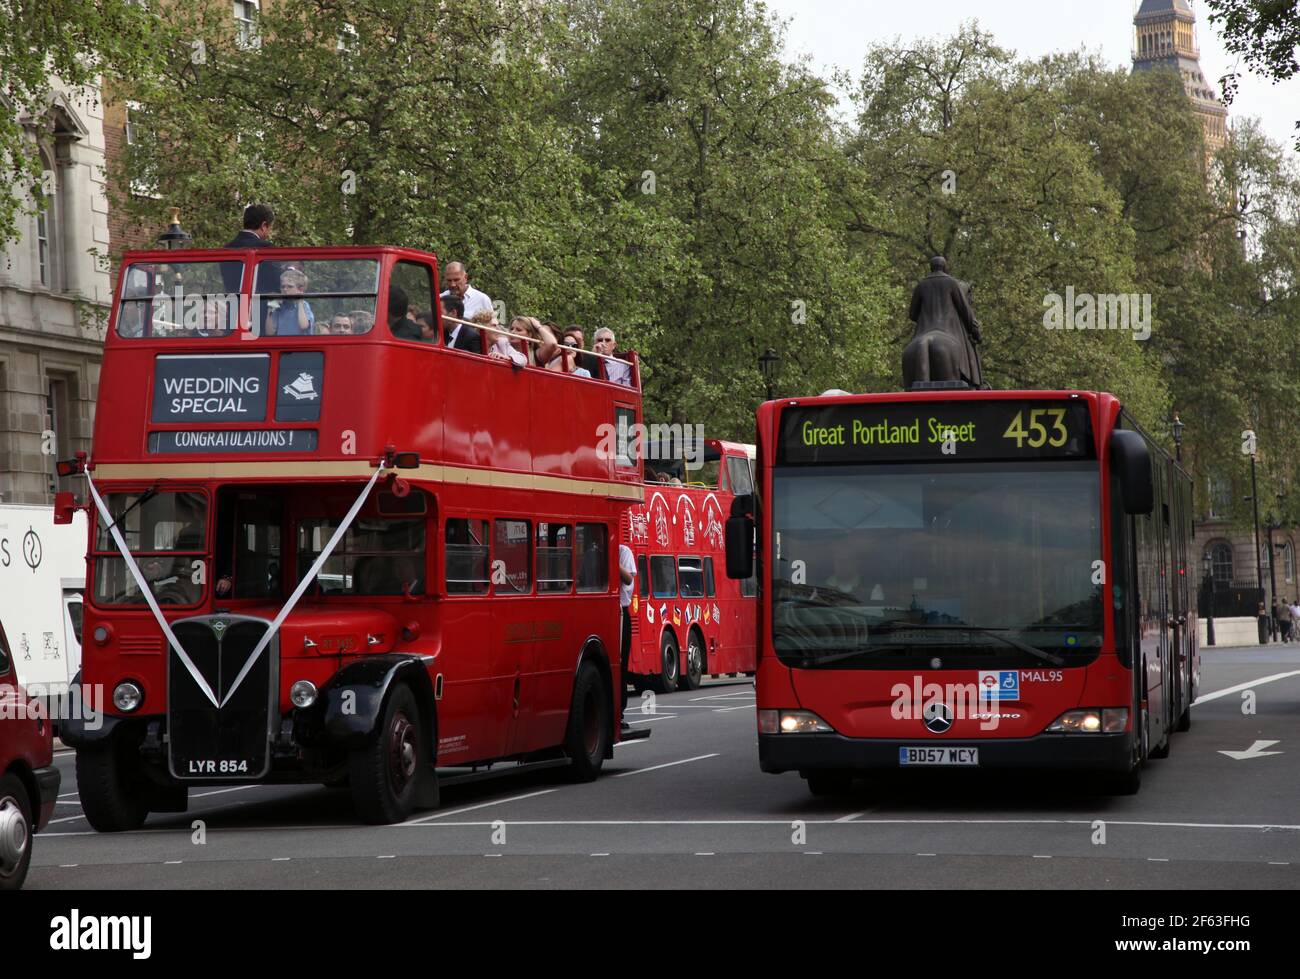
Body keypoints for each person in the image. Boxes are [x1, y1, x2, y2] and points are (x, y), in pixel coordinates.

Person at [223, 203, 276, 292]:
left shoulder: (226, 248)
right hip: (257, 304)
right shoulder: (266, 248)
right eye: (270, 228)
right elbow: (274, 282)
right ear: (264, 226)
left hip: (234, 304)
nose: (269, 232)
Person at [618, 542, 637, 734]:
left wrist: (611, 561)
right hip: (603, 611)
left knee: (620, 665)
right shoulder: (593, 552)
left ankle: (619, 713)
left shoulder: (623, 551)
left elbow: (629, 580)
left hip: (621, 612)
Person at [265, 266, 315, 336]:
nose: (285, 289)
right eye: (283, 287)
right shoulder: (278, 308)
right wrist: (270, 308)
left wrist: (300, 301)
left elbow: (303, 326)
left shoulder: (304, 305)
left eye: (290, 286)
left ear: (300, 289)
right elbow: (270, 332)